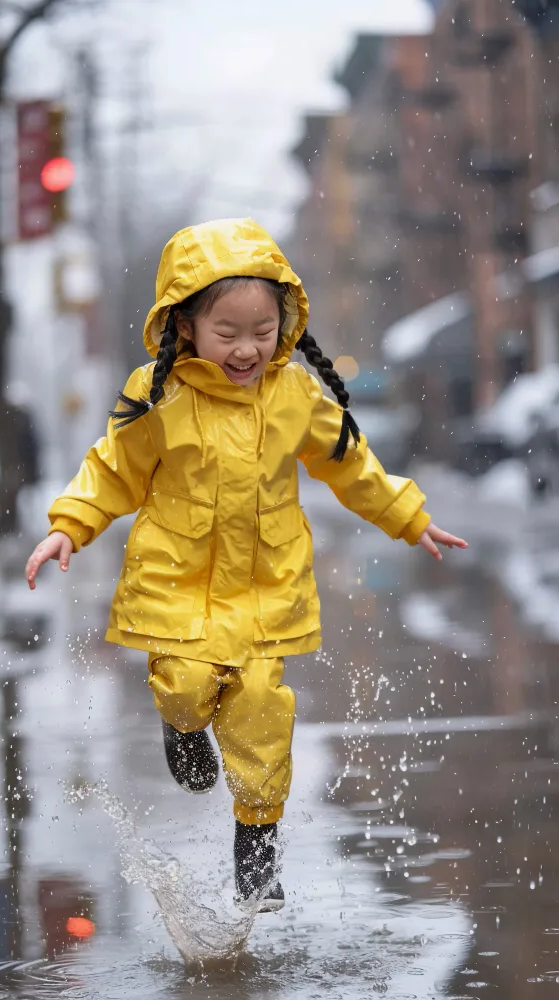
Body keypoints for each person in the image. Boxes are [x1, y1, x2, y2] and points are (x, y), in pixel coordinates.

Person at [25, 219, 467, 912]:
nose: (247, 348)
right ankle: (181, 726)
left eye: (262, 330)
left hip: (265, 589)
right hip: (176, 585)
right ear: (184, 327)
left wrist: (407, 517)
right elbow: (112, 469)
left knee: (263, 716)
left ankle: (255, 851)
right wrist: (68, 527)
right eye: (227, 331)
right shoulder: (157, 392)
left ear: (283, 323)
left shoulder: (293, 393)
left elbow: (348, 464)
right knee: (184, 685)